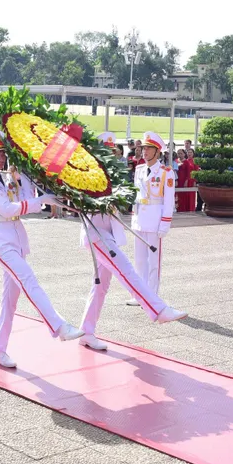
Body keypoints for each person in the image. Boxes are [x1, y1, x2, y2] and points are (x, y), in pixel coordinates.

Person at [0, 130, 83, 370]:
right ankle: (59, 326)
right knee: (29, 280)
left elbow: (26, 201)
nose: (1, 158)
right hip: (1, 242)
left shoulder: (8, 178)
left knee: (9, 302)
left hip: (18, 240)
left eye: (3, 153)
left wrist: (27, 176)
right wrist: (40, 201)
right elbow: (8, 209)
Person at [79, 132, 186, 350]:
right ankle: (156, 309)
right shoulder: (89, 172)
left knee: (100, 287)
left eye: (112, 149)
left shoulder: (112, 172)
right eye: (106, 150)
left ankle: (86, 332)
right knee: (128, 270)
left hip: (112, 231)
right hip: (97, 233)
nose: (111, 153)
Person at [132, 131, 175, 296]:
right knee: (140, 260)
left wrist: (165, 223)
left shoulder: (166, 172)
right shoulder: (139, 169)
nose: (145, 151)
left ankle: (152, 297)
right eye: (143, 148)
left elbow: (169, 201)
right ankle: (140, 295)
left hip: (155, 220)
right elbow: (137, 195)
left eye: (149, 148)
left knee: (153, 262)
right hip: (140, 220)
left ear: (157, 152)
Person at [176, 148, 198, 212]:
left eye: (191, 152)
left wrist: (194, 181)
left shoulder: (194, 161)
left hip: (190, 180)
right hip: (180, 179)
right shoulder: (179, 160)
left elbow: (194, 172)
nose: (189, 154)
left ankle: (190, 208)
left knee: (190, 195)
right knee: (182, 195)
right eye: (188, 152)